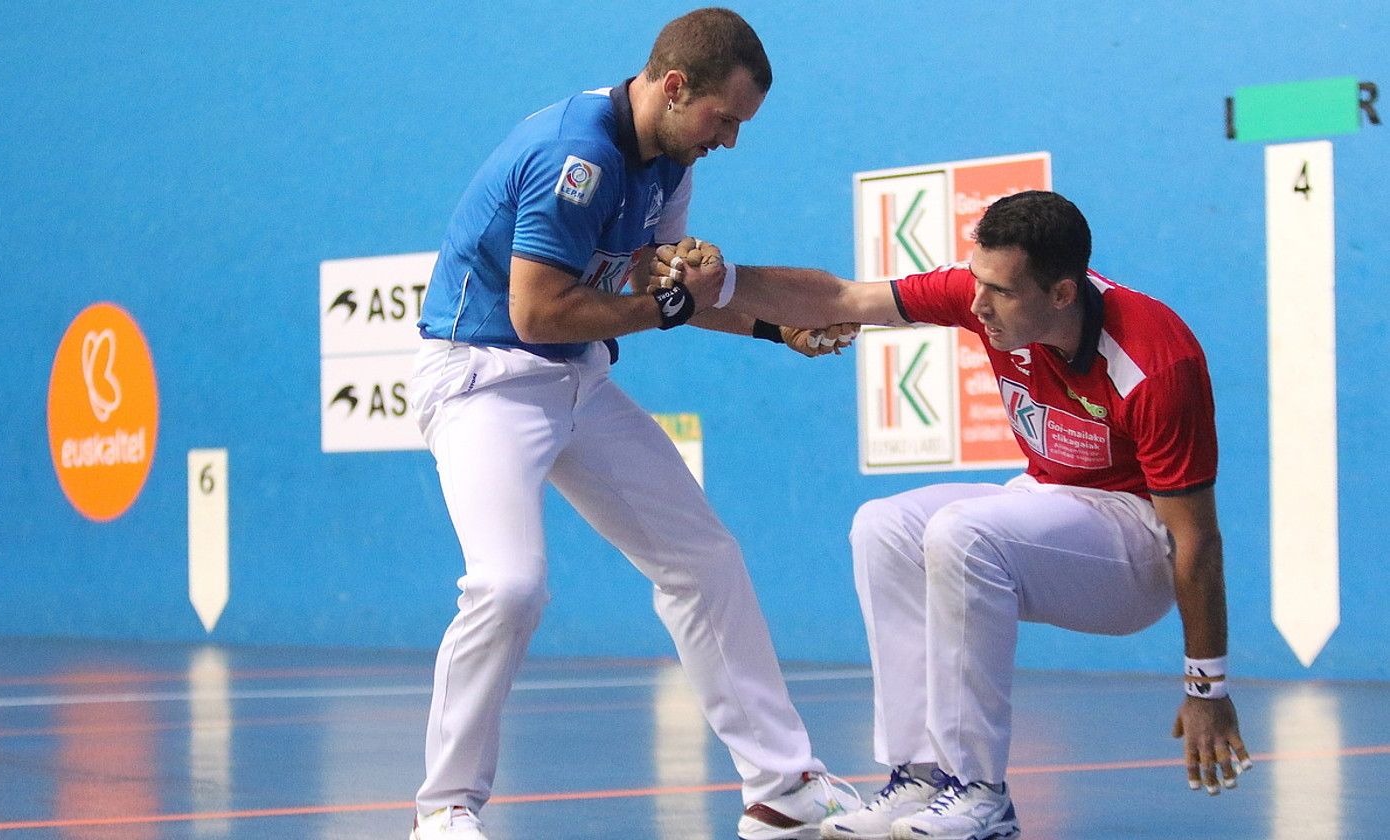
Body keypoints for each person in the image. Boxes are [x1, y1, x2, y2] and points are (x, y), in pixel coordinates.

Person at [661, 190, 1253, 840]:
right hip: (1049, 496)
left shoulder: (1155, 362)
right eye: (976, 282)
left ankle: (980, 793)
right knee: (883, 527)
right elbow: (838, 299)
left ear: (1061, 294)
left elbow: (1196, 540)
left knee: (964, 533)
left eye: (998, 292)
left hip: (1140, 549)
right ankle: (919, 779)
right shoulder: (986, 296)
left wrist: (1207, 689)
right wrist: (726, 284)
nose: (976, 305)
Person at [407, 8, 859, 840]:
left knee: (702, 556)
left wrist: (773, 328)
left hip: (577, 379)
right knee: (507, 585)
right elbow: (541, 313)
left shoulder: (669, 163)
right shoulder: (573, 156)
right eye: (725, 119)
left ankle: (783, 788)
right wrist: (667, 302)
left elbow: (667, 288)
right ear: (675, 87)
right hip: (484, 380)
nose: (729, 141)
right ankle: (443, 808)